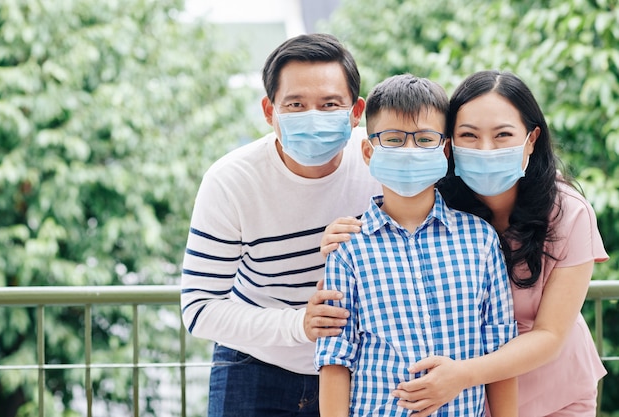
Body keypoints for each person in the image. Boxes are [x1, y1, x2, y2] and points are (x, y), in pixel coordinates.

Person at [320, 70, 609, 416]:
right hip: (465, 397)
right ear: (451, 144)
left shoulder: (566, 213)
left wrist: (462, 375)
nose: (485, 149)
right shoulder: (433, 196)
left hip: (550, 387)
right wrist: (339, 239)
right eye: (469, 135)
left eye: (503, 135)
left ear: (531, 139)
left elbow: (550, 335)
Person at [179, 33, 381, 417]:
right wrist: (297, 325)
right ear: (269, 111)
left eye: (329, 104)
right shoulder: (231, 181)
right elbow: (199, 308)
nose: (314, 116)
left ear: (356, 111)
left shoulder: (380, 161)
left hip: (359, 365)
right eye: (296, 104)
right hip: (254, 365)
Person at [315, 73, 518, 417]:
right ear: (368, 150)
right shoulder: (348, 248)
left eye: (425, 139)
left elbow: (499, 349)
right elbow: (335, 358)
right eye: (393, 139)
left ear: (446, 150)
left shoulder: (480, 239)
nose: (409, 151)